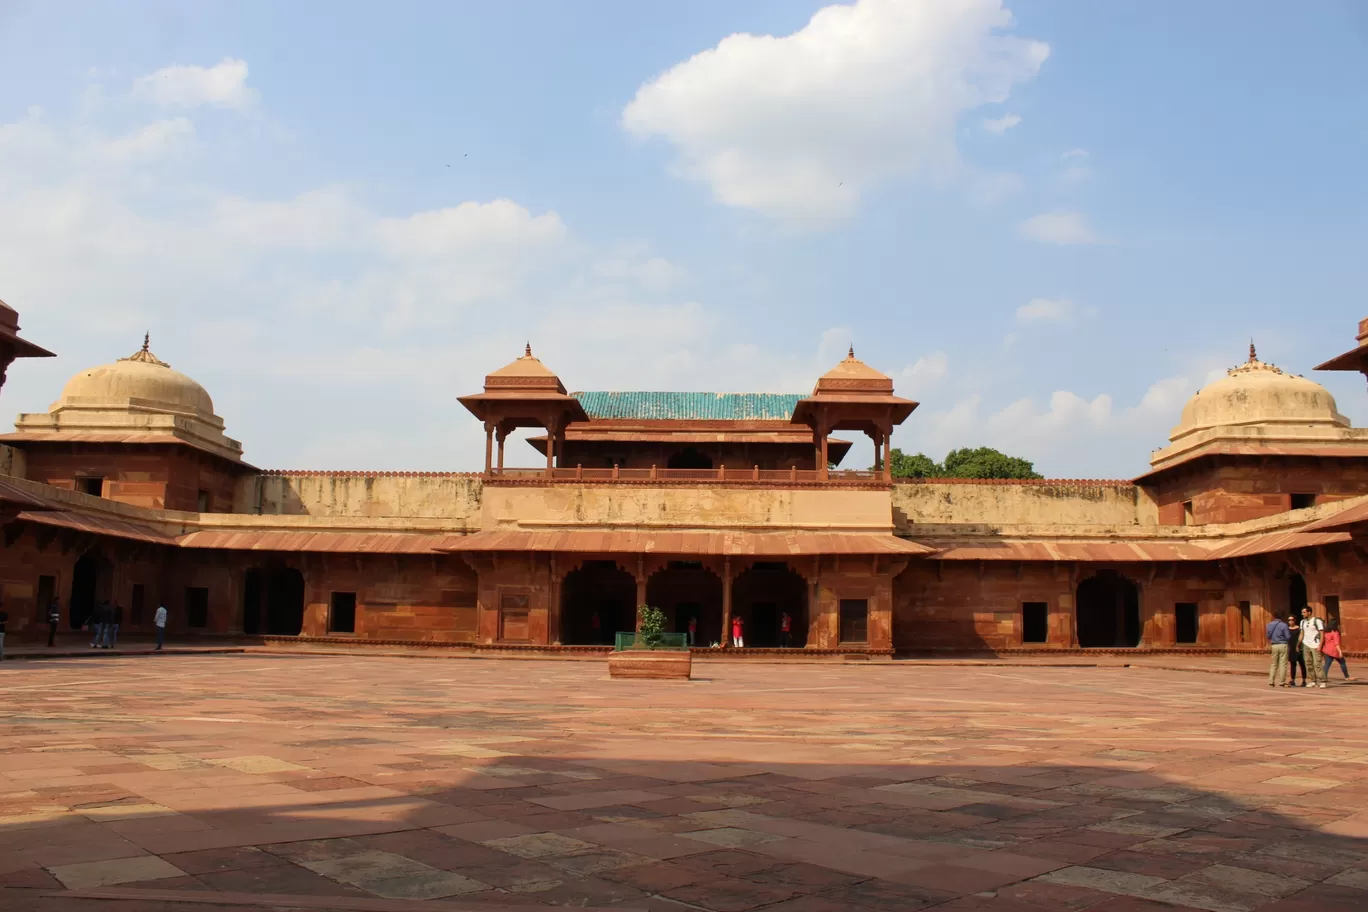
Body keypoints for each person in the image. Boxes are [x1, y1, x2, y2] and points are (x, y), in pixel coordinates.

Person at [1301, 607, 1327, 689]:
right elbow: (1302, 633)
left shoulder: (1317, 621)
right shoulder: (1302, 622)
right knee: (1308, 663)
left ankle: (1322, 681)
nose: (1303, 614)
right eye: (1302, 612)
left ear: (1309, 612)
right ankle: (1313, 680)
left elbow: (1322, 634)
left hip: (1315, 644)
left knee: (1317, 664)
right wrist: (1298, 644)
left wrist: (1320, 646)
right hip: (1306, 644)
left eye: (1304, 612)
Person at [1265, 613, 1290, 686]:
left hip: (1274, 645)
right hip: (1283, 644)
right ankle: (1282, 681)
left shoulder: (1269, 625)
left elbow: (1268, 636)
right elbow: (1288, 636)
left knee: (1274, 664)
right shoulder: (1284, 625)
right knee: (1283, 664)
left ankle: (1271, 681)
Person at [1286, 615, 1306, 686]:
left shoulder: (1299, 629)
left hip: (1299, 648)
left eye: (1292, 620)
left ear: (1295, 620)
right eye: (1289, 620)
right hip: (1291, 649)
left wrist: (1298, 646)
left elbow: (1301, 638)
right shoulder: (1287, 629)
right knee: (1293, 665)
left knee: (1302, 664)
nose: (1290, 621)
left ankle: (1304, 680)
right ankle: (1292, 680)